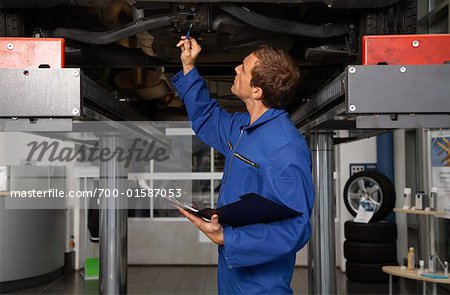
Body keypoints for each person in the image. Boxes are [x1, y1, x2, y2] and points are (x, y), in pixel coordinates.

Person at [172, 37, 315, 294]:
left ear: (257, 90)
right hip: (232, 273)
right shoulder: (243, 128)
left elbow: (296, 228)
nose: (236, 69)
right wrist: (189, 66)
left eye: (244, 68)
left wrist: (227, 237)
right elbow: (206, 117)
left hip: (261, 284)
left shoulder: (286, 149)